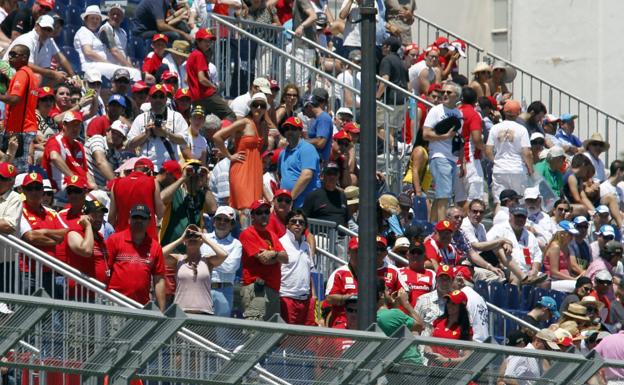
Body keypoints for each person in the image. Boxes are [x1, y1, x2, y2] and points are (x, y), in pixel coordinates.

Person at [212, 93, 267, 212]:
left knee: (254, 208)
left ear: (265, 109)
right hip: (241, 167)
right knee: (244, 207)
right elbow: (217, 136)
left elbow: (263, 147)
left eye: (262, 105)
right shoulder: (244, 122)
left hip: (255, 170)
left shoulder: (264, 126)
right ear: (251, 107)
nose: (258, 108)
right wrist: (229, 156)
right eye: (255, 104)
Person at [106, 204, 166, 311]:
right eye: (135, 217)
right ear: (129, 220)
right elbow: (105, 270)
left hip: (141, 307)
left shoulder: (155, 247)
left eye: (142, 218)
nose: (139, 221)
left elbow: (159, 280)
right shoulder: (114, 240)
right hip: (115, 303)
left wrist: (162, 310)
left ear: (149, 221)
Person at [19, 172, 68, 294]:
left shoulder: (50, 212)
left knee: (52, 311)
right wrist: (55, 240)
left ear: (42, 190)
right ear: (23, 191)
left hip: (49, 271)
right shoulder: (19, 210)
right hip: (28, 271)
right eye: (30, 188)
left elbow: (66, 232)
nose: (34, 192)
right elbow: (30, 237)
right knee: (27, 311)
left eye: (38, 188)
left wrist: (45, 231)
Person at [163, 224, 227, 314]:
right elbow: (159, 255)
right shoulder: (178, 259)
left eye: (195, 235)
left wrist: (205, 239)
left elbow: (223, 255)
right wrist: (180, 239)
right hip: (181, 312)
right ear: (185, 241)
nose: (192, 238)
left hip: (204, 312)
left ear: (201, 241)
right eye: (189, 235)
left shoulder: (207, 260)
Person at [240, 199, 288, 321]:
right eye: (259, 212)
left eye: (266, 212)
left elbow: (286, 258)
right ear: (253, 216)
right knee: (255, 334)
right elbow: (263, 260)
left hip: (273, 289)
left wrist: (273, 253)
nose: (264, 215)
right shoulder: (247, 233)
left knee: (272, 335)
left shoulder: (272, 235)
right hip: (257, 290)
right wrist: (277, 257)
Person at [422, 81, 463, 222]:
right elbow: (425, 134)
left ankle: (433, 227)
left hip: (452, 158)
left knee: (441, 196)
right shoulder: (436, 110)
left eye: (448, 92)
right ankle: (443, 228)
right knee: (444, 196)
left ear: (457, 96)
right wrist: (444, 136)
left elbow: (459, 139)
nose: (444, 94)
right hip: (439, 156)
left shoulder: (459, 113)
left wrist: (461, 163)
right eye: (443, 92)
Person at [126, 84, 189, 166]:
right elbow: (130, 145)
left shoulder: (176, 117)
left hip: (169, 168)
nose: (158, 99)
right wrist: (145, 134)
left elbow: (184, 140)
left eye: (161, 96)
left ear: (166, 99)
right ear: (149, 99)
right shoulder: (141, 118)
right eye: (154, 96)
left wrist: (166, 133)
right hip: (147, 168)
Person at [485, 100, 533, 206]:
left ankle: (499, 221)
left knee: (499, 201)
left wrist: (496, 162)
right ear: (518, 113)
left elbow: (488, 151)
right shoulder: (522, 129)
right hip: (517, 169)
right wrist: (530, 168)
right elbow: (527, 152)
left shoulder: (495, 128)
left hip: (500, 169)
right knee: (518, 201)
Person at [74, 6, 141, 81]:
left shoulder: (95, 34)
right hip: (91, 66)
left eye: (97, 19)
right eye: (92, 18)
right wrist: (107, 63)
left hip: (100, 65)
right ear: (85, 20)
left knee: (132, 73)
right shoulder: (84, 31)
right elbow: (88, 52)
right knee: (134, 73)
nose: (95, 21)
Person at [159, 159, 217, 246]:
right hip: (170, 246)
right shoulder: (175, 192)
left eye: (199, 172)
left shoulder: (202, 195)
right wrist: (182, 178)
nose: (194, 175)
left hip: (192, 250)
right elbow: (161, 198)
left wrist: (205, 184)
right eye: (190, 171)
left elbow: (213, 209)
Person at [0, 44, 38, 173]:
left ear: (24, 57)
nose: (9, 58)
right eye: (9, 54)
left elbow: (15, 100)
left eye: (13, 55)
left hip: (20, 129)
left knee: (16, 170)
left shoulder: (22, 74)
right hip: (23, 127)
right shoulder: (30, 74)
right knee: (15, 167)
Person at [1, 15, 72, 84]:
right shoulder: (27, 39)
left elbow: (46, 67)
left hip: (21, 74)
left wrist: (63, 76)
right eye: (44, 28)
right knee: (38, 77)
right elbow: (27, 64)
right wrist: (53, 74)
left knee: (57, 79)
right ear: (36, 26)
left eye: (49, 30)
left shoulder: (47, 42)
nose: (46, 32)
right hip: (6, 73)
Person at [109, 157, 165, 239]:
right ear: (149, 171)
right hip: (147, 239)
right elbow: (160, 213)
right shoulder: (152, 181)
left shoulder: (116, 183)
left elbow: (111, 217)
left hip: (122, 237)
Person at [487, 206, 545, 284]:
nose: (520, 219)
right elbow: (486, 246)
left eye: (523, 217)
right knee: (517, 278)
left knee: (546, 281)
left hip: (528, 272)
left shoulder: (530, 235)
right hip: (507, 270)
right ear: (510, 216)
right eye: (517, 216)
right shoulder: (499, 229)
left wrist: (534, 270)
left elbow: (537, 256)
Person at [186, 28, 235, 120]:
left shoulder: (193, 54)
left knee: (200, 120)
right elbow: (202, 79)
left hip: (196, 96)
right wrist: (213, 86)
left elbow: (187, 78)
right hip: (205, 94)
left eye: (210, 41)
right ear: (198, 41)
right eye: (205, 41)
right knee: (229, 115)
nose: (208, 43)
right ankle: (224, 134)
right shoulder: (199, 55)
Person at [42, 111, 96, 193]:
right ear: (64, 125)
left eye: (78, 125)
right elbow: (54, 157)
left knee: (101, 195)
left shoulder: (79, 145)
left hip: (81, 189)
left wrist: (93, 185)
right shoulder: (55, 140)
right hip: (64, 190)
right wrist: (74, 179)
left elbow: (85, 171)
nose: (76, 128)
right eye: (73, 125)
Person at [279, 210, 316, 325]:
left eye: (301, 222)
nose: (298, 224)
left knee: (306, 339)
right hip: (286, 298)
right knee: (287, 339)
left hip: (306, 300)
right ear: (287, 224)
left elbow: (309, 273)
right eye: (293, 221)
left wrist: (314, 297)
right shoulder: (280, 243)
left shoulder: (306, 246)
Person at [205, 206, 242, 317]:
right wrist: (217, 259)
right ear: (213, 221)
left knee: (223, 332)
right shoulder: (203, 238)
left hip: (224, 291)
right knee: (200, 328)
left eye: (226, 220)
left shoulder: (237, 244)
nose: (222, 222)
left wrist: (208, 260)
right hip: (203, 289)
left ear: (232, 225)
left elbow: (230, 267)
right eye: (219, 219)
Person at [423, 289, 473, 367]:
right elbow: (428, 343)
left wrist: (446, 360)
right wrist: (428, 352)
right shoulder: (438, 321)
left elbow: (468, 357)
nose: (449, 305)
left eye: (454, 303)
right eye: (448, 302)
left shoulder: (465, 328)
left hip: (451, 372)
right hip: (432, 369)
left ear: (461, 307)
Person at [278, 116, 321, 208]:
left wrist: (290, 199)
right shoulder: (283, 153)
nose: (289, 131)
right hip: (288, 205)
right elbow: (281, 176)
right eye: (287, 129)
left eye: (293, 129)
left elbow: (307, 176)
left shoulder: (307, 148)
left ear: (300, 132)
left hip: (306, 205)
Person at [65, 199, 109, 286]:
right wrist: (88, 225)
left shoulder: (100, 237)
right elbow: (87, 251)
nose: (99, 219)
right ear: (85, 216)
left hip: (99, 293)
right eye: (95, 215)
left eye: (101, 216)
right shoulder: (74, 233)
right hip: (81, 293)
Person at [303, 162, 349, 227]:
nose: (332, 177)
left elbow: (347, 220)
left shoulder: (342, 196)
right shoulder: (313, 196)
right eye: (329, 173)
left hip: (342, 236)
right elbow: (303, 220)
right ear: (322, 176)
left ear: (338, 176)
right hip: (320, 235)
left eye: (335, 174)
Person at [414, 264, 454, 337]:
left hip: (449, 347)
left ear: (452, 280)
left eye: (447, 279)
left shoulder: (458, 302)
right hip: (425, 346)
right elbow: (414, 328)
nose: (444, 282)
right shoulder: (423, 300)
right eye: (441, 278)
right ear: (436, 279)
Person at [98, 4, 133, 68]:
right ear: (108, 15)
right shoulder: (106, 28)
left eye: (118, 15)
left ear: (122, 19)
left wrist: (131, 69)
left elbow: (126, 54)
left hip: (122, 68)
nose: (115, 16)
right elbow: (114, 51)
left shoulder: (123, 32)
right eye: (113, 13)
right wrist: (130, 67)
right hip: (109, 67)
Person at [303, 88, 333, 162]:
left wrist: (300, 142)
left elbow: (320, 142)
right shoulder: (318, 119)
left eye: (304, 109)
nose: (303, 113)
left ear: (309, 106)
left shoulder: (323, 118)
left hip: (319, 164)